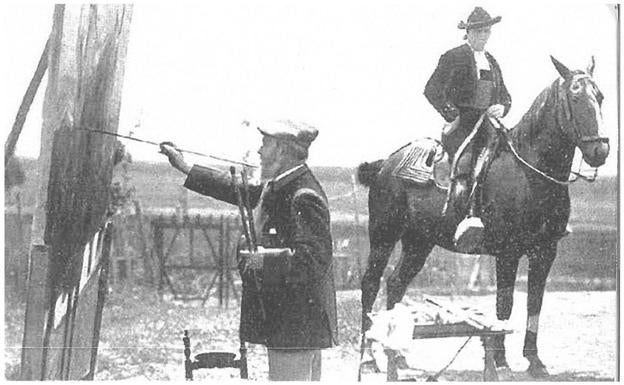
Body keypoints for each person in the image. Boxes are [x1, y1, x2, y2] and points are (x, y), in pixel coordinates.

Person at [159, 120, 337, 381]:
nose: (259, 151)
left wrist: (264, 260)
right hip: (293, 322)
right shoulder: (281, 186)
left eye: (265, 144)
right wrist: (185, 166)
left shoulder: (303, 195)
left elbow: (314, 261)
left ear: (281, 150)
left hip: (297, 324)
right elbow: (239, 189)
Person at [424, 6, 511, 252]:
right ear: (469, 32)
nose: (485, 36)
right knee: (468, 162)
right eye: (480, 31)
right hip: (461, 126)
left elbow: (506, 96)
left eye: (487, 31)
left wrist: (501, 108)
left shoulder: (492, 62)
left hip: (488, 124)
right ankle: (468, 216)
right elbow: (431, 89)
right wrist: (451, 114)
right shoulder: (453, 57)